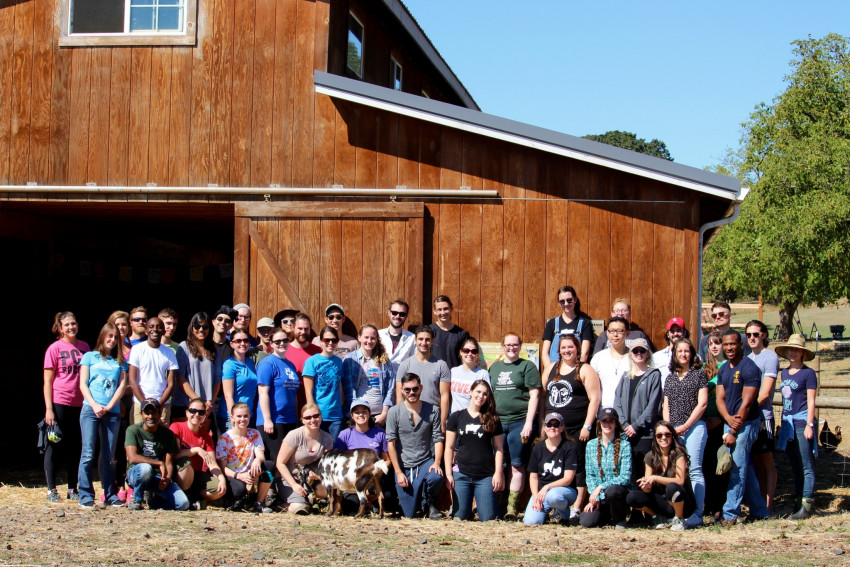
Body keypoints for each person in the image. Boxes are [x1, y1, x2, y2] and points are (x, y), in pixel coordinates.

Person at [542, 333, 601, 521]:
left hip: (577, 428)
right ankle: (558, 506)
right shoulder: (551, 368)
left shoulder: (585, 369)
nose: (567, 350)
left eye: (571, 347)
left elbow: (595, 399)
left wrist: (588, 426)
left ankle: (577, 506)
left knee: (579, 467)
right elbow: (544, 396)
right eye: (563, 348)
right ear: (558, 351)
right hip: (553, 430)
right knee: (556, 467)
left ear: (578, 349)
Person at [716, 329, 770, 525]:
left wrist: (733, 430)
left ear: (741, 345)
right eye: (726, 344)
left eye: (733, 344)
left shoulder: (750, 368)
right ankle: (760, 510)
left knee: (736, 469)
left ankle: (730, 514)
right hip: (730, 421)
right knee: (742, 467)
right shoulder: (723, 369)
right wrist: (728, 420)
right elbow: (720, 399)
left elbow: (747, 403)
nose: (729, 348)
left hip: (746, 424)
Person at [489, 332, 541, 521]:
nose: (511, 348)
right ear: (502, 346)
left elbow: (534, 395)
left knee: (517, 464)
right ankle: (498, 503)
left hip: (519, 421)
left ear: (520, 346)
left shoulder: (527, 366)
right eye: (508, 345)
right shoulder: (494, 368)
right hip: (497, 423)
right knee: (499, 464)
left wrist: (529, 422)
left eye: (515, 345)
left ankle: (512, 506)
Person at [77, 322, 127, 508]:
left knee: (109, 455)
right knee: (88, 452)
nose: (112, 340)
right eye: (110, 336)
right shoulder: (89, 357)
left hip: (111, 412)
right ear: (103, 335)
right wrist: (95, 404)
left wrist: (109, 406)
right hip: (91, 409)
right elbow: (83, 384)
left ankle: (110, 493)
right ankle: (85, 494)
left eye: (116, 338)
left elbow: (122, 385)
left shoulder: (119, 361)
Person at [43, 311, 90, 502]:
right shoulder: (54, 349)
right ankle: (51, 490)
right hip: (60, 401)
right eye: (67, 325)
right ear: (60, 328)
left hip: (80, 403)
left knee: (75, 447)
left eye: (73, 323)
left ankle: (73, 488)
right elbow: (47, 381)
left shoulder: (85, 347)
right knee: (53, 445)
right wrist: (49, 409)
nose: (71, 327)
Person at [662, 338, 708, 528]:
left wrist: (687, 425)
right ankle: (678, 512)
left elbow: (702, 403)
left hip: (694, 426)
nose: (683, 354)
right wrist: (669, 428)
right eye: (679, 351)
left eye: (687, 351)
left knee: (695, 469)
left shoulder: (699, 375)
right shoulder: (670, 377)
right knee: (677, 471)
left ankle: (697, 513)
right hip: (674, 429)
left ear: (692, 353)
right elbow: (666, 404)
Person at [386, 373, 445, 519]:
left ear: (421, 388)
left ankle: (430, 502)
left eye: (415, 389)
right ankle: (414, 502)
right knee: (408, 515)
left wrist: (437, 462)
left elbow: (438, 438)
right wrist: (398, 472)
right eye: (407, 390)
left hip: (425, 460)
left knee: (436, 477)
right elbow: (391, 444)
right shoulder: (394, 412)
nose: (411, 393)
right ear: (401, 390)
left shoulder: (433, 410)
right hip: (404, 464)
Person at [445, 380, 504, 521]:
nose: (481, 396)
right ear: (470, 392)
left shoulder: (493, 419)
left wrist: (498, 473)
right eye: (478, 392)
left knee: (488, 518)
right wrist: (449, 474)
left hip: (485, 475)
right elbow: (449, 447)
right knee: (460, 518)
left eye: (485, 394)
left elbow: (499, 448)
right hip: (462, 473)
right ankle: (465, 509)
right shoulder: (456, 417)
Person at [775, 334, 818, 519]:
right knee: (795, 464)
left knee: (806, 463)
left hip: (801, 421)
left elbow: (811, 401)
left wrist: (809, 424)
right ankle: (798, 499)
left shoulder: (808, 374)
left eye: (796, 350)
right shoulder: (784, 373)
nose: (793, 353)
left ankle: (807, 504)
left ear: (802, 353)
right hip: (788, 422)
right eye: (790, 349)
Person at [626, 420, 696, 531]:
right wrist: (646, 486)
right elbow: (648, 488)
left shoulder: (679, 453)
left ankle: (679, 518)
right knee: (632, 497)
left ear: (672, 436)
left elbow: (680, 481)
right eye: (659, 435)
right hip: (663, 502)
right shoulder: (650, 456)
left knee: (672, 487)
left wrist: (655, 478)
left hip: (681, 502)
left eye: (667, 434)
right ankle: (656, 517)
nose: (663, 438)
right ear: (655, 438)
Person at [124, 398, 190, 511]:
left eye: (154, 412)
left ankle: (153, 501)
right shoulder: (133, 430)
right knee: (146, 468)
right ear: (141, 414)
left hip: (157, 477)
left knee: (183, 504)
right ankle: (137, 499)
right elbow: (132, 457)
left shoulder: (168, 435)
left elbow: (169, 462)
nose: (150, 416)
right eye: (147, 413)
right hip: (136, 474)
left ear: (160, 414)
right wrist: (159, 462)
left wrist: (167, 479)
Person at [613, 338, 662, 482]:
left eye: (642, 351)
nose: (639, 353)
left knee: (642, 472)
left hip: (645, 434)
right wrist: (625, 425)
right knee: (627, 472)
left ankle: (642, 504)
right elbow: (617, 403)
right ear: (631, 354)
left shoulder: (654, 375)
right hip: (625, 433)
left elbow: (653, 406)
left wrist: (636, 426)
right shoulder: (625, 376)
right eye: (635, 351)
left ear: (648, 354)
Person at [334, 399, 392, 515]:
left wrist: (374, 475)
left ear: (369, 413)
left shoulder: (380, 433)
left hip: (373, 479)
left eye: (364, 412)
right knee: (351, 508)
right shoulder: (345, 434)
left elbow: (388, 460)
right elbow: (337, 462)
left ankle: (372, 503)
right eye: (357, 412)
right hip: (351, 481)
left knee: (388, 497)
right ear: (352, 415)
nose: (361, 415)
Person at [745, 319, 780, 513]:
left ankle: (768, 504)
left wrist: (745, 409)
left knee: (767, 461)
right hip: (750, 417)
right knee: (755, 461)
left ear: (764, 335)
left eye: (755, 334)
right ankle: (759, 505)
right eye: (748, 335)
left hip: (762, 416)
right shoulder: (748, 358)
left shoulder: (770, 358)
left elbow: (765, 393)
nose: (751, 338)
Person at [275, 403, 334, 515]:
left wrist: (318, 476)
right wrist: (294, 485)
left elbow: (328, 465)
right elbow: (280, 463)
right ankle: (281, 504)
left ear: (321, 417)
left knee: (328, 489)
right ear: (302, 420)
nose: (313, 420)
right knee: (300, 509)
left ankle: (310, 499)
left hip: (312, 479)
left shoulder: (327, 438)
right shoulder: (294, 435)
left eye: (316, 416)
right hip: (291, 478)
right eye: (308, 418)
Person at [215, 402, 273, 513]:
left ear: (249, 416)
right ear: (232, 418)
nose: (243, 419)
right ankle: (236, 501)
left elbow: (261, 455)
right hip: (233, 475)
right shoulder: (224, 438)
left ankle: (259, 502)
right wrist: (239, 476)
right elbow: (222, 468)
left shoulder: (254, 433)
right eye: (239, 416)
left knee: (269, 466)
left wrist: (257, 459)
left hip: (250, 473)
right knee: (239, 490)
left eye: (245, 416)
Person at [522, 412, 578, 525]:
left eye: (556, 424)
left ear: (562, 427)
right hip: (542, 493)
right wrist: (535, 496)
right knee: (531, 521)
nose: (552, 428)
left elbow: (568, 479)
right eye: (549, 425)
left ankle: (564, 515)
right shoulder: (537, 448)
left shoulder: (569, 448)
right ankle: (546, 513)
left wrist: (547, 487)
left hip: (564, 491)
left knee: (554, 496)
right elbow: (533, 477)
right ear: (544, 428)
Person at [581, 407, 633, 528]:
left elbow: (625, 477)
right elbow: (590, 475)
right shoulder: (591, 445)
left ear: (616, 424)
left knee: (613, 490)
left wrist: (601, 487)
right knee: (587, 522)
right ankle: (606, 517)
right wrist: (596, 496)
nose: (607, 424)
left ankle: (619, 519)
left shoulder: (625, 445)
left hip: (618, 495)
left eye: (611, 421)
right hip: (601, 497)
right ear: (599, 423)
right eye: (604, 421)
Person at [170, 398, 226, 507]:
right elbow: (174, 455)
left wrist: (221, 479)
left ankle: (196, 495)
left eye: (201, 412)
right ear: (187, 413)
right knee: (186, 463)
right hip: (179, 472)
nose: (196, 415)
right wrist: (196, 450)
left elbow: (212, 463)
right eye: (193, 411)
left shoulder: (205, 436)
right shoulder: (176, 427)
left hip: (197, 474)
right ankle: (184, 495)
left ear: (205, 416)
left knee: (219, 490)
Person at [256, 328, 301, 464]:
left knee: (289, 460)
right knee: (277, 461)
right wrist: (267, 419)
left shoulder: (290, 364)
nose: (281, 343)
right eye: (277, 341)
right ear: (271, 343)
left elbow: (294, 394)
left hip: (290, 419)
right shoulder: (267, 363)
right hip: (274, 420)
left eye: (284, 340)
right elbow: (262, 392)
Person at [395, 325, 451, 433]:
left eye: (427, 340)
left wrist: (443, 421)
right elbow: (399, 394)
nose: (424, 343)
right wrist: (400, 418)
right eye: (420, 339)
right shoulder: (405, 365)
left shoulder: (441, 365)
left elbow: (444, 395)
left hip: (433, 417)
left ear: (432, 341)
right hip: (410, 416)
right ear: (415, 340)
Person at [303, 326, 351, 442]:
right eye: (326, 340)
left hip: (336, 416)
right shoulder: (312, 361)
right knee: (317, 448)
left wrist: (341, 404)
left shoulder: (338, 361)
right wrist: (313, 415)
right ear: (321, 341)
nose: (330, 343)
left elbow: (339, 386)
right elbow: (308, 391)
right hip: (319, 415)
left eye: (334, 340)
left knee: (333, 450)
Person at [128, 317, 179, 425]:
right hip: (139, 403)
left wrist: (158, 405)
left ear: (163, 331)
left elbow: (171, 385)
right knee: (139, 439)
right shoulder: (137, 349)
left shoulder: (169, 353)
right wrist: (144, 403)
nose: (155, 329)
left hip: (162, 404)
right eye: (151, 327)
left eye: (159, 327)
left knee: (161, 439)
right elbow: (132, 381)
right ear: (146, 331)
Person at [701, 330, 730, 523]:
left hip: (723, 421)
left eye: (718, 343)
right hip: (705, 420)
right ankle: (707, 505)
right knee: (706, 465)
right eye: (711, 343)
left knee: (722, 465)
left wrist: (720, 419)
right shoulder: (703, 368)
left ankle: (720, 506)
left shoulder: (730, 367)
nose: (714, 346)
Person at [343, 324, 396, 426]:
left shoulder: (383, 360)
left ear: (377, 339)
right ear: (359, 337)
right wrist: (356, 414)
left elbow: (390, 387)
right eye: (366, 337)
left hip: (378, 416)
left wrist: (384, 413)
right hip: (357, 416)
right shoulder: (350, 360)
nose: (369, 341)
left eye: (373, 338)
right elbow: (349, 391)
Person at [174, 312, 220, 422]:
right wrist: (197, 401)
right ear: (192, 327)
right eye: (197, 326)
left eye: (205, 326)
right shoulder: (183, 347)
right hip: (186, 404)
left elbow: (218, 379)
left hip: (207, 406)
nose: (201, 329)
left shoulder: (213, 349)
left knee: (201, 439)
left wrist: (209, 402)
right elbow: (180, 377)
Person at [216, 328, 259, 435]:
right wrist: (233, 419)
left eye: (246, 340)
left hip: (248, 416)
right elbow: (228, 395)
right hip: (232, 418)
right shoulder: (229, 364)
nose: (243, 343)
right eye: (238, 341)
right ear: (232, 344)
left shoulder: (250, 362)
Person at [541, 285, 594, 366]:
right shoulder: (551, 323)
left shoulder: (585, 323)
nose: (566, 304)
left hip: (575, 370)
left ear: (575, 300)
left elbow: (584, 354)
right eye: (562, 301)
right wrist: (549, 371)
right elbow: (545, 353)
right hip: (555, 371)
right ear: (559, 303)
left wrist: (575, 372)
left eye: (569, 300)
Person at [591, 317, 631, 409]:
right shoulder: (598, 357)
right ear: (607, 333)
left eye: (620, 331)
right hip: (605, 410)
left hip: (628, 410)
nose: (615, 335)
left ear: (627, 333)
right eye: (612, 331)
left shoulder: (634, 358)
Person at [449, 337, 490, 414]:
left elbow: (487, 399)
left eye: (473, 351)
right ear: (461, 352)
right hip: (454, 418)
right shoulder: (453, 371)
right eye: (466, 350)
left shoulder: (483, 374)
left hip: (473, 418)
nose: (469, 354)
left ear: (477, 354)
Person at [429, 295, 469, 369]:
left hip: (455, 377)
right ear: (434, 311)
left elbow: (466, 358)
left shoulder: (462, 334)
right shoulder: (429, 331)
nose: (443, 312)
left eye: (446, 309)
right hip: (434, 375)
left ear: (451, 309)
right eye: (439, 309)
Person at [651, 317, 689, 389]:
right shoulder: (657, 357)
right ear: (668, 334)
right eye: (672, 331)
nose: (675, 333)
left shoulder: (693, 356)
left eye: (679, 330)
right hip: (662, 398)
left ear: (684, 332)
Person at [379, 298, 415, 365]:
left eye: (402, 314)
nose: (397, 316)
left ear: (406, 316)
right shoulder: (378, 335)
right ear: (389, 313)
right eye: (394, 313)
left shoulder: (412, 338)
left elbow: (414, 363)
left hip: (402, 375)